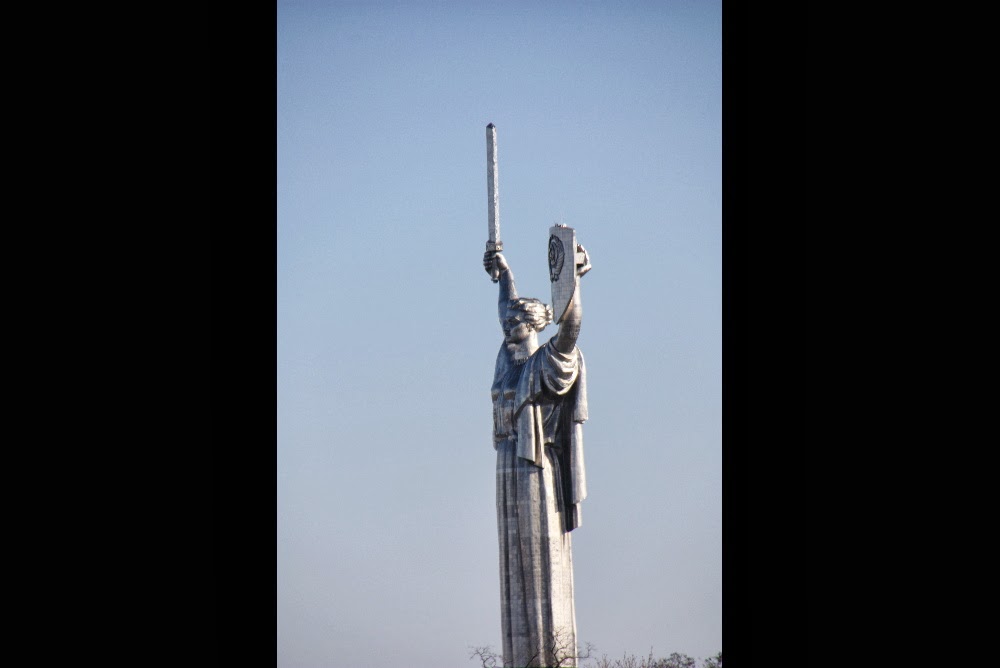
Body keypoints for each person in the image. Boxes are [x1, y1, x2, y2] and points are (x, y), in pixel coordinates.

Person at [483, 245, 591, 668]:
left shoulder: (547, 362)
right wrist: (504, 271)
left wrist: (573, 284)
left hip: (536, 467)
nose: (508, 324)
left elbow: (571, 329)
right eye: (507, 321)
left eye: (517, 321)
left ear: (535, 325)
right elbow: (505, 305)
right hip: (508, 461)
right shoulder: (509, 360)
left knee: (539, 558)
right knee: (513, 560)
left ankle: (549, 657)